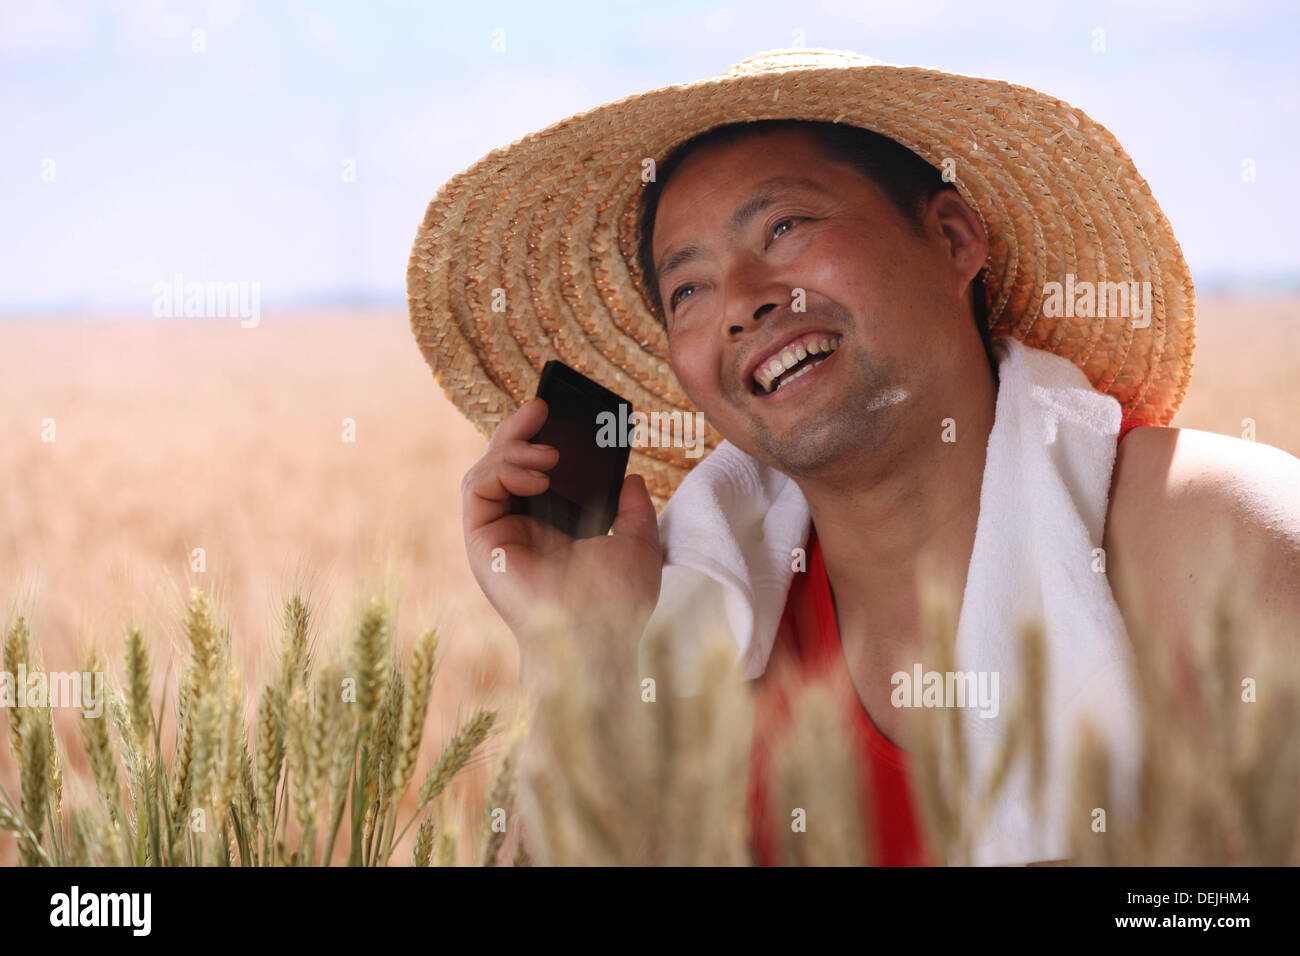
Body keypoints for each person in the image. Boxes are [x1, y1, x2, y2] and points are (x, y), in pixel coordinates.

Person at [410, 49, 1300, 865]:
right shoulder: (700, 625)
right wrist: (580, 654)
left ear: (953, 238)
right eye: (689, 287)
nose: (743, 303)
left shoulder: (1215, 540)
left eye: (788, 227)